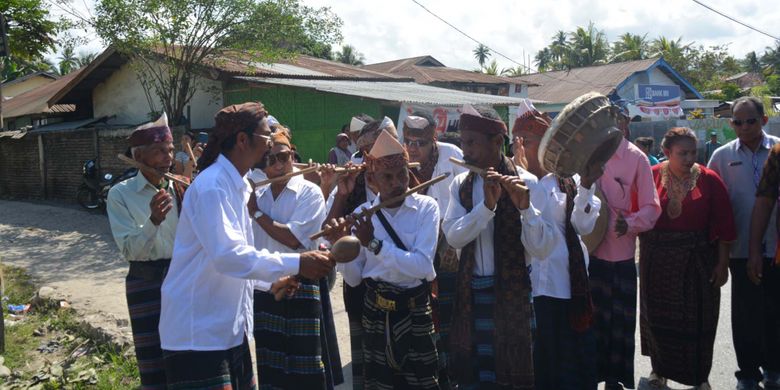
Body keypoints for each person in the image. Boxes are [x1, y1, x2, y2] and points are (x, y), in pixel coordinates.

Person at [158, 102, 333, 389]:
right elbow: (229, 257)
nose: (270, 145)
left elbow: (236, 263)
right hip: (197, 335)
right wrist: (298, 262)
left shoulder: (239, 187)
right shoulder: (213, 186)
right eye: (266, 137)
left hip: (229, 332)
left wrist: (271, 282)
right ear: (242, 140)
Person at [326, 130, 441, 389]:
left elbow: (422, 266)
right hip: (376, 312)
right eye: (386, 177)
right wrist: (339, 245)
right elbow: (355, 279)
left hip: (415, 310)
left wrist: (374, 244)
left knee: (422, 382)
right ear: (372, 179)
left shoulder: (426, 208)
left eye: (401, 174)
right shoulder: (361, 215)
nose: (396, 183)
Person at [442, 105, 541, 389]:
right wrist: (486, 207)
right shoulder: (460, 184)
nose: (465, 150)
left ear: (498, 142)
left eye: (472, 142)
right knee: (476, 376)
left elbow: (542, 249)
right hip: (472, 293)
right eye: (463, 142)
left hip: (514, 297)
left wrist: (526, 209)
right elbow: (453, 236)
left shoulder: (528, 182)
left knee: (511, 376)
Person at [512, 107, 603, 390]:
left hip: (565, 283)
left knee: (568, 362)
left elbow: (583, 226)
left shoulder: (569, 180)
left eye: (532, 140)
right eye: (521, 140)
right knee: (537, 363)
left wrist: (587, 184)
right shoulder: (510, 179)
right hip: (526, 285)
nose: (525, 147)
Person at [639, 127, 735, 390]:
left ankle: (699, 376)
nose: (689, 158)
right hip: (656, 262)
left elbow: (725, 224)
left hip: (698, 261)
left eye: (693, 152)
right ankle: (659, 370)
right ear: (667, 152)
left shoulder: (709, 179)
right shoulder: (651, 176)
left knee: (700, 320)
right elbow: (638, 212)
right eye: (682, 153)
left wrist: (722, 263)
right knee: (658, 319)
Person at [247, 131, 334, 389]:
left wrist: (256, 213)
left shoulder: (310, 193)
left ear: (292, 155)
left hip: (300, 285)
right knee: (270, 366)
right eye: (269, 160)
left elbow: (293, 239)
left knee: (306, 367)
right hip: (266, 289)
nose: (277, 165)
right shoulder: (258, 194)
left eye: (283, 157)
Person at [107, 113, 186, 389]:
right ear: (139, 156)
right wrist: (153, 221)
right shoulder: (120, 195)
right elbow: (129, 250)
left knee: (185, 354)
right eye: (159, 152)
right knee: (153, 358)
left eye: (170, 151)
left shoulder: (179, 188)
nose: (168, 158)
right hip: (145, 282)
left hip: (180, 280)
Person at [709, 96, 780, 390]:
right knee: (745, 314)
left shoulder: (776, 150)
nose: (744, 127)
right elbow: (712, 202)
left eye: (750, 121)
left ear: (763, 121)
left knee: (775, 312)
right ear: (730, 124)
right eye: (737, 122)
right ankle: (748, 373)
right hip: (739, 248)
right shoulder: (722, 157)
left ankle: (774, 370)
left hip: (776, 247)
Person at [589, 105, 661, 390]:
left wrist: (629, 223)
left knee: (619, 326)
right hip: (588, 256)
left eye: (612, 119)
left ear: (623, 123)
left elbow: (652, 209)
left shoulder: (636, 159)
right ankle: (593, 378)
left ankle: (615, 381)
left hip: (620, 258)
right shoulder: (587, 153)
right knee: (591, 324)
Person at [402, 112, 466, 388]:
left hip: (451, 246)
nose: (414, 148)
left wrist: (454, 241)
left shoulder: (453, 155)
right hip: (418, 249)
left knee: (451, 314)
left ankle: (454, 374)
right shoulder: (402, 163)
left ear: (434, 140)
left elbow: (471, 195)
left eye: (421, 143)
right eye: (409, 141)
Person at [748, 142, 780, 390]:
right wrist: (755, 249)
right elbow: (764, 201)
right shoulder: (778, 153)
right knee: (773, 315)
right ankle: (773, 369)